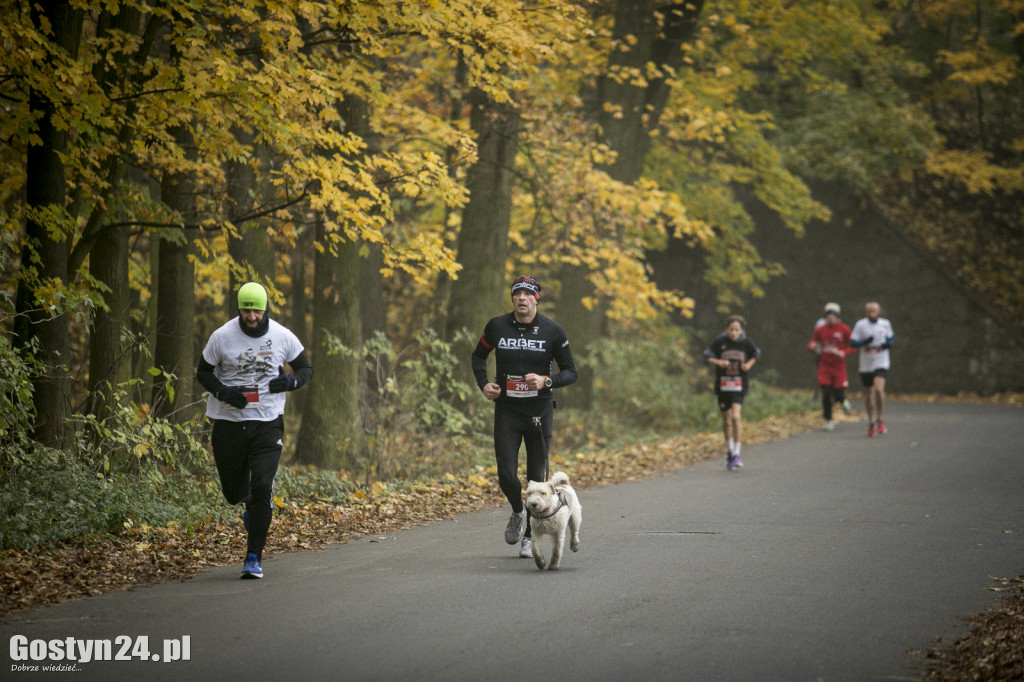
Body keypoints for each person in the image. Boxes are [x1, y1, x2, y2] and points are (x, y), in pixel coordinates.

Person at [196, 281, 313, 578]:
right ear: (239, 309)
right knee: (234, 493)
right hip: (229, 423)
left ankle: (253, 558)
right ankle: (248, 506)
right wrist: (223, 392)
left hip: (267, 422)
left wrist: (289, 382)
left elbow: (306, 370)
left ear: (266, 309)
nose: (251, 316)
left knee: (262, 485)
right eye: (246, 310)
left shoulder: (282, 336)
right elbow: (203, 372)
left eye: (257, 310)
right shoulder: (221, 337)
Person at [471, 275, 577, 559]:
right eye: (516, 293)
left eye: (527, 294)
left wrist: (547, 381)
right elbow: (478, 357)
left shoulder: (552, 331)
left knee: (537, 479)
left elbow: (571, 371)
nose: (521, 298)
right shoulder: (497, 326)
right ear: (512, 299)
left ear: (535, 299)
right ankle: (519, 512)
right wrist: (484, 384)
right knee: (506, 474)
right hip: (507, 410)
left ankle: (530, 538)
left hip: (539, 414)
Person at [703, 315, 760, 471]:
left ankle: (737, 453)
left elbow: (756, 354)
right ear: (727, 329)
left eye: (737, 330)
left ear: (741, 330)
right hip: (723, 386)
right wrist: (719, 362)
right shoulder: (720, 343)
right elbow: (707, 356)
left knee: (736, 417)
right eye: (731, 329)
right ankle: (729, 450)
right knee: (726, 421)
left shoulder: (746, 343)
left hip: (739, 386)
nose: (734, 333)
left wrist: (748, 364)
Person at [807, 302, 854, 430]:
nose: (830, 318)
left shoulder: (844, 329)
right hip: (824, 366)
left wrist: (844, 352)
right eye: (828, 315)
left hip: (838, 367)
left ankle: (843, 401)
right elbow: (812, 342)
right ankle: (828, 419)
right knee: (826, 392)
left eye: (833, 315)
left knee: (838, 392)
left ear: (837, 316)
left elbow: (853, 345)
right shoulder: (820, 329)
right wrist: (811, 346)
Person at [849, 301, 895, 436]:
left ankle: (880, 418)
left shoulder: (885, 324)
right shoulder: (861, 325)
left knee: (879, 389)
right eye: (869, 311)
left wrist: (888, 344)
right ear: (866, 312)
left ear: (878, 311)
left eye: (874, 311)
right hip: (866, 362)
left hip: (881, 360)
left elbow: (891, 338)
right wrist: (864, 342)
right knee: (869, 394)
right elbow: (853, 342)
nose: (871, 313)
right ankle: (871, 420)